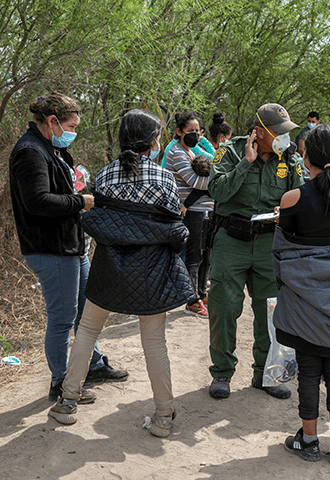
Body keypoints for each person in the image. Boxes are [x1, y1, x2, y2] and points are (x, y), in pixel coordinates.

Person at [48, 109, 196, 437]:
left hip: (108, 270)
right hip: (153, 273)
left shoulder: (105, 176)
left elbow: (103, 220)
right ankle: (163, 417)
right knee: (154, 341)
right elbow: (176, 230)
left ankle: (67, 402)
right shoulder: (163, 177)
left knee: (86, 331)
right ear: (152, 142)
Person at [9, 93, 128, 403]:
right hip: (51, 249)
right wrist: (81, 202)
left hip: (70, 246)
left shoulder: (50, 148)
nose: (74, 131)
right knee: (62, 319)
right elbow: (37, 202)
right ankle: (61, 383)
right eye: (71, 125)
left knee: (85, 313)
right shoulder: (30, 151)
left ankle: (93, 364)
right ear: (53, 122)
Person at [273, 124, 330, 466]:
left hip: (303, 308)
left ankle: (308, 441)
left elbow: (281, 252)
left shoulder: (291, 199)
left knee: (309, 372)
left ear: (305, 155)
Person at [207, 103, 303, 400]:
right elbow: (217, 191)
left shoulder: (290, 158)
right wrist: (245, 163)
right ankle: (222, 372)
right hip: (231, 242)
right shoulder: (231, 151)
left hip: (268, 244)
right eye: (278, 132)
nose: (284, 138)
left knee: (270, 311)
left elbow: (301, 197)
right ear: (258, 133)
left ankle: (266, 373)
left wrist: (284, 209)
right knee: (223, 307)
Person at [165, 111, 214, 316]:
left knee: (206, 256)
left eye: (197, 131)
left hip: (205, 210)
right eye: (190, 131)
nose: (195, 135)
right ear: (179, 131)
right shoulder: (177, 152)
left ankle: (202, 294)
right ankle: (191, 300)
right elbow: (195, 182)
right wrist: (217, 184)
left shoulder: (193, 151)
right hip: (192, 212)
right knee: (194, 257)